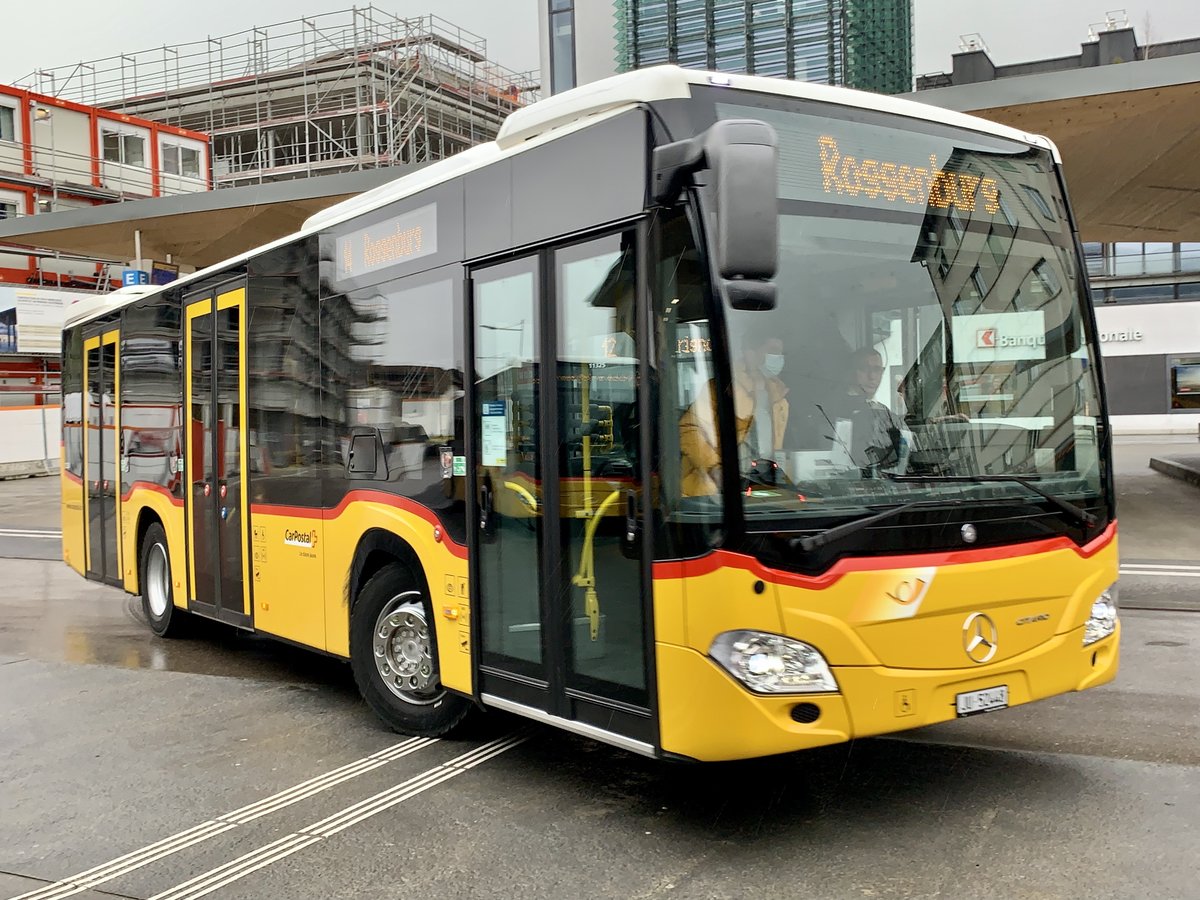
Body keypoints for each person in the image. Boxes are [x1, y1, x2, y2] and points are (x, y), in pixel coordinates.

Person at [678, 331, 789, 496]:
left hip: (762, 485)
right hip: (716, 491)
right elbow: (688, 428)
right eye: (773, 350)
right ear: (751, 352)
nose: (778, 357)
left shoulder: (779, 398)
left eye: (781, 352)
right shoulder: (720, 389)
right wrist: (714, 468)